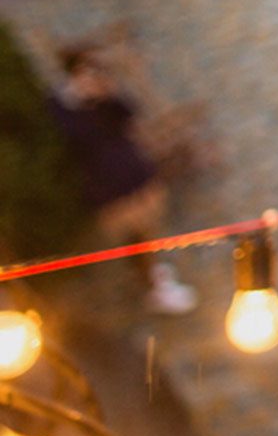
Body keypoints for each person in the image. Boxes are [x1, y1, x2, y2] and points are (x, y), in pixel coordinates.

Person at [49, 46, 197, 315]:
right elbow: (78, 142)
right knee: (133, 235)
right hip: (108, 182)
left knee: (146, 229)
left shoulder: (102, 95)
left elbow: (129, 114)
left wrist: (106, 96)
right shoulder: (62, 106)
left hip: (131, 169)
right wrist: (89, 106)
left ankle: (151, 273)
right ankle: (152, 286)